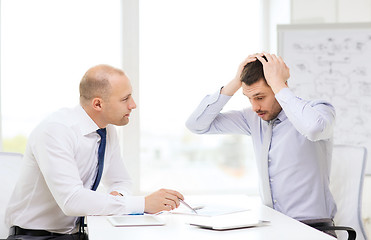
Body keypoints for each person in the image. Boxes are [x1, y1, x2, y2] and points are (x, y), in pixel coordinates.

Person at [6, 64, 184, 240]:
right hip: (34, 237)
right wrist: (143, 203)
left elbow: (121, 181)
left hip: (76, 234)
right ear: (98, 104)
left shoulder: (107, 131)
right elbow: (72, 201)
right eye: (125, 99)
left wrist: (118, 197)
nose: (133, 105)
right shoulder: (56, 131)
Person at [185, 53, 337, 237]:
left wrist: (279, 83)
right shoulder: (252, 118)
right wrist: (235, 82)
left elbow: (313, 129)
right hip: (273, 227)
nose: (255, 106)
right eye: (249, 98)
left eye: (260, 97)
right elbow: (196, 125)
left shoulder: (318, 110)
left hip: (313, 229)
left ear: (279, 88)